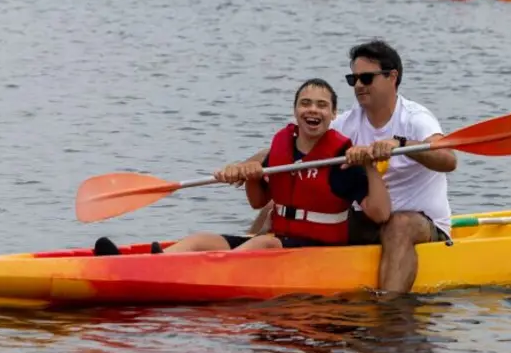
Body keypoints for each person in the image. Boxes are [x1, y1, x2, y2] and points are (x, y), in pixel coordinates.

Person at [91, 79, 390, 256]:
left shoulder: (342, 159)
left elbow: (380, 214)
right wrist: (249, 173)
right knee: (200, 239)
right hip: (276, 241)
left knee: (264, 244)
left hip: (316, 251)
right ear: (295, 111)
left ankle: (177, 273)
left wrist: (371, 168)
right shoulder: (281, 149)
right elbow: (258, 202)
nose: (313, 110)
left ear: (333, 114)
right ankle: (142, 264)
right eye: (306, 103)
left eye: (322, 105)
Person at [332, 39, 457, 295]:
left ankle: (389, 312)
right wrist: (251, 165)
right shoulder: (346, 123)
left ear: (392, 77)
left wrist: (401, 144)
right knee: (289, 206)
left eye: (366, 78)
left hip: (420, 223)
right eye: (352, 79)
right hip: (369, 217)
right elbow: (298, 145)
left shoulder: (416, 118)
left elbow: (448, 159)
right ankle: (247, 254)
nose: (358, 86)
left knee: (398, 224)